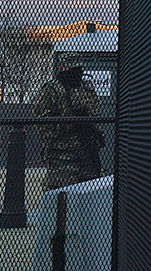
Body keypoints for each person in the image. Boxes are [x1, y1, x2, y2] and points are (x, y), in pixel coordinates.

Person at [33, 52, 103, 190]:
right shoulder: (52, 89)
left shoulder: (86, 87)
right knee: (61, 194)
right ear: (62, 69)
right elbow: (42, 123)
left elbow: (96, 110)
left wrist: (85, 119)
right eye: (72, 70)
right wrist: (69, 122)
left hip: (87, 149)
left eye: (78, 69)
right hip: (62, 154)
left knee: (89, 194)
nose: (76, 74)